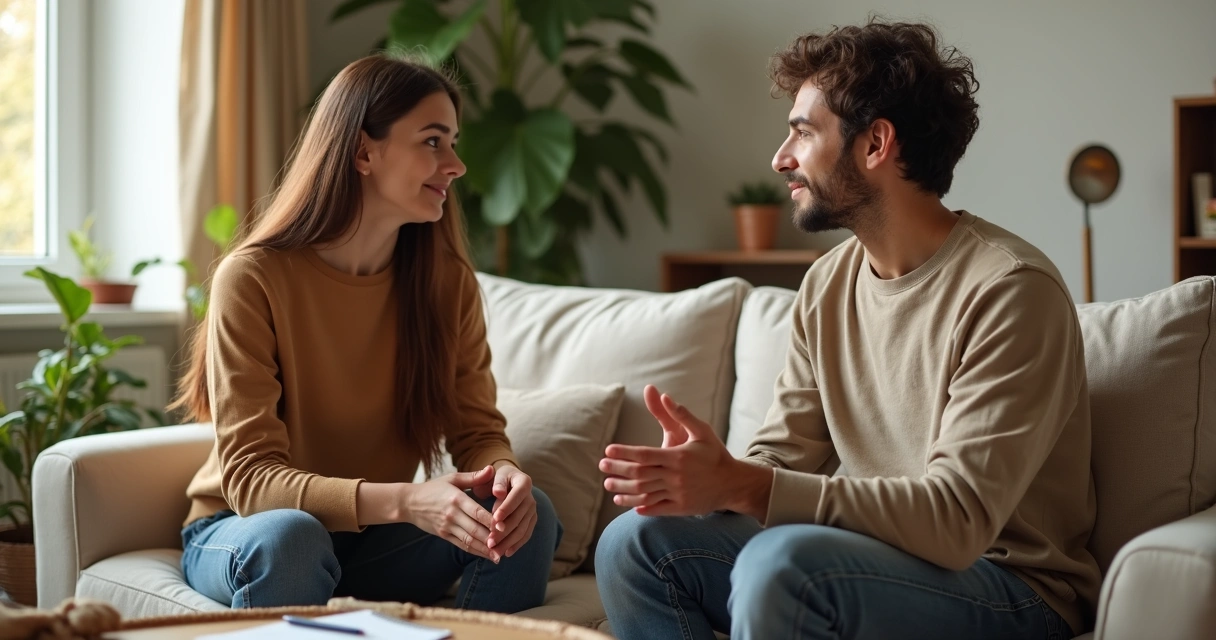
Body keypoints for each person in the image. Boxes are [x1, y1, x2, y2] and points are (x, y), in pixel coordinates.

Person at [595, 19, 1098, 640]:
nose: (781, 159)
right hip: (870, 563)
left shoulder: (1011, 291)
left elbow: (958, 520)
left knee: (780, 567)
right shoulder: (828, 283)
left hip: (1011, 589)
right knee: (634, 543)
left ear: (875, 144)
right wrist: (713, 477)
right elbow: (780, 457)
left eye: (803, 133)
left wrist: (748, 484)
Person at [170, 54, 560, 613]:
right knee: (293, 537)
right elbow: (253, 483)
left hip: (372, 544)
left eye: (453, 142)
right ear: (362, 151)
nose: (456, 165)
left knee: (530, 516)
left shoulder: (446, 283)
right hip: (244, 531)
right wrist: (407, 501)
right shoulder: (254, 278)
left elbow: (477, 430)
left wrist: (504, 475)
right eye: (432, 141)